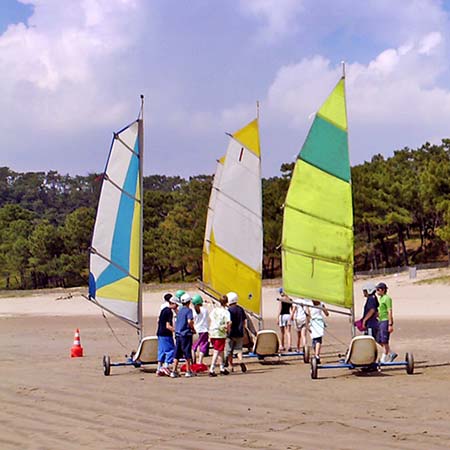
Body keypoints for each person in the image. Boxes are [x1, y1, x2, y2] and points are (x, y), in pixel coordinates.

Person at [170, 293, 196, 378]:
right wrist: (192, 328)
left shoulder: (180, 310)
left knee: (177, 353)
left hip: (178, 334)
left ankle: (174, 371)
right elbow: (189, 321)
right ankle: (188, 370)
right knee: (187, 353)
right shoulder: (189, 310)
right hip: (185, 334)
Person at [208, 295, 231, 377]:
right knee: (216, 351)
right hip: (220, 333)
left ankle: (222, 367)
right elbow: (228, 323)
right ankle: (212, 368)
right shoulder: (226, 312)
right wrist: (228, 330)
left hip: (212, 331)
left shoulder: (214, 310)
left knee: (220, 350)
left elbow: (210, 319)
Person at [156, 293, 178, 376]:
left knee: (161, 350)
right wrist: (176, 330)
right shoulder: (169, 312)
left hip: (160, 332)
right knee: (171, 350)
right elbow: (168, 326)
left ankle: (159, 368)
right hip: (166, 334)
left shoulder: (163, 309)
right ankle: (166, 366)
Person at [225, 292, 247, 373]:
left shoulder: (229, 310)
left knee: (229, 350)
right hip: (240, 332)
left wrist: (227, 331)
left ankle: (231, 366)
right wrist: (244, 331)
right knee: (239, 349)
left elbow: (228, 322)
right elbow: (244, 321)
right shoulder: (241, 309)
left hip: (231, 333)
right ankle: (240, 360)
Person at [376, 282, 397, 363]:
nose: (377, 291)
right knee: (379, 339)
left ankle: (383, 359)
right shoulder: (381, 298)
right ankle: (391, 353)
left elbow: (389, 311)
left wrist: (390, 324)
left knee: (384, 340)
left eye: (378, 289)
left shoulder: (387, 298)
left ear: (383, 290)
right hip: (381, 320)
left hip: (385, 320)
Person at [307, 299, 329, 363]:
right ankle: (316, 354)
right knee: (316, 340)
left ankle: (316, 355)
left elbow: (308, 315)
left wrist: (308, 324)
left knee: (317, 339)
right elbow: (327, 313)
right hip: (316, 322)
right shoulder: (312, 304)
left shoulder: (311, 304)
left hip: (316, 322)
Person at [192, 294, 209, 364]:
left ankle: (193, 362)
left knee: (193, 347)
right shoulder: (205, 310)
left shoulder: (193, 311)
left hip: (196, 330)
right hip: (204, 330)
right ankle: (200, 362)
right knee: (203, 346)